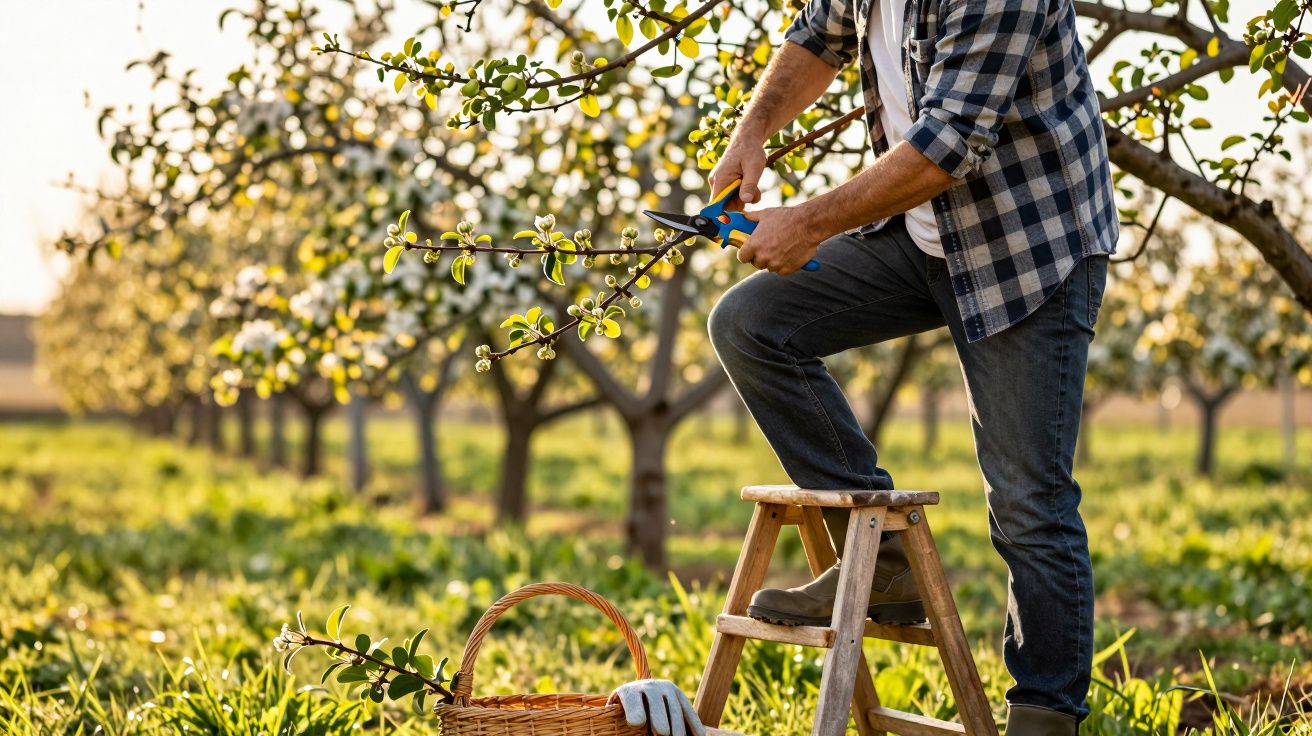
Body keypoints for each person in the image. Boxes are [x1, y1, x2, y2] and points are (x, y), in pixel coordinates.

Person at [704, 0, 1118, 731]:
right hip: (919, 236)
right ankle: (886, 561)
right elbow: (817, 36)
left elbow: (949, 143)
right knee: (750, 323)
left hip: (1028, 249)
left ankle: (1045, 714)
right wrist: (752, 131)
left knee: (1027, 502)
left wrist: (806, 222)